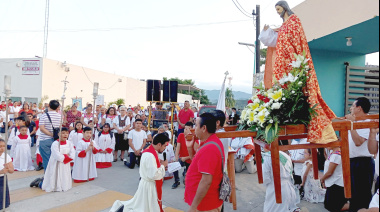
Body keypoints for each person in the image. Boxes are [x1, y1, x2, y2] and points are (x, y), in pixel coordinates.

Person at [263, 1, 337, 144]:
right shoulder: (283, 26)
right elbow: (275, 40)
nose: (278, 12)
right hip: (282, 63)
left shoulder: (294, 20)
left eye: (279, 9)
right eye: (276, 10)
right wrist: (270, 31)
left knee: (295, 88)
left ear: (284, 7)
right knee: (281, 88)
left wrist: (294, 57)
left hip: (293, 59)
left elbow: (298, 39)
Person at [110, 133, 169, 212]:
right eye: (165, 145)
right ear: (159, 144)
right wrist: (163, 166)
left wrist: (158, 162)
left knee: (143, 206)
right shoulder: (150, 155)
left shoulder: (150, 150)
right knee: (143, 208)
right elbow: (154, 175)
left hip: (146, 184)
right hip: (149, 186)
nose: (165, 148)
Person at [184, 113, 224, 212]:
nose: (194, 128)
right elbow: (198, 166)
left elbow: (206, 181)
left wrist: (193, 207)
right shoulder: (208, 142)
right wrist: (190, 148)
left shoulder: (209, 148)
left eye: (196, 125)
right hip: (203, 203)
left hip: (205, 205)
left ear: (204, 128)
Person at [345, 97, 375, 212]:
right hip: (353, 161)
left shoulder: (366, 122)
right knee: (353, 196)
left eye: (352, 106)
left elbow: (358, 142)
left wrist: (351, 124)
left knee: (363, 196)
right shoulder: (355, 122)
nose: (351, 109)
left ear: (359, 108)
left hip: (363, 162)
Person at [262, 144, 302, 212]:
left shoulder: (266, 157)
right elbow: (291, 170)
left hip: (274, 188)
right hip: (289, 186)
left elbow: (265, 178)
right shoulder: (285, 155)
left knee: (273, 208)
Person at [41, 128, 75, 192]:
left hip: (65, 163)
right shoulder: (55, 144)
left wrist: (70, 157)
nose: (65, 135)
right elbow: (57, 155)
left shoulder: (69, 143)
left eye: (67, 133)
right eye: (63, 133)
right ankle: (41, 184)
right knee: (54, 176)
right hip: (56, 163)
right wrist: (65, 156)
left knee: (64, 174)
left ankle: (64, 185)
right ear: (59, 134)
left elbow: (73, 152)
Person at [321, 147, 350, 212]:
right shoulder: (332, 153)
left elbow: (330, 172)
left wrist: (322, 179)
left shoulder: (337, 155)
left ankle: (356, 205)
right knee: (328, 205)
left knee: (334, 207)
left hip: (336, 183)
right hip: (332, 183)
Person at [38, 100, 62, 170]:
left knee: (46, 160)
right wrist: (54, 135)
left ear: (48, 105)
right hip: (56, 140)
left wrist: (51, 134)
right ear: (57, 107)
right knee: (55, 159)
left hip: (44, 140)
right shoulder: (60, 116)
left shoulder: (44, 116)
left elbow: (42, 128)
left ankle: (48, 178)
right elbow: (60, 128)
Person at [173, 122, 193, 189]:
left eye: (187, 129)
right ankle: (176, 181)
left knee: (187, 180)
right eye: (185, 128)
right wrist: (176, 156)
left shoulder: (193, 137)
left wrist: (186, 158)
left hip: (190, 159)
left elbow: (195, 154)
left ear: (191, 129)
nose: (185, 130)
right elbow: (178, 147)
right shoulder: (181, 135)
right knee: (174, 165)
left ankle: (186, 175)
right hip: (182, 158)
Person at [0, 138, 14, 211]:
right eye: (0, 146)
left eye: (3, 146)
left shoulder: (6, 156)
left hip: (3, 178)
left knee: (3, 197)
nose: (2, 148)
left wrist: (8, 168)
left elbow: (12, 171)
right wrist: (1, 171)